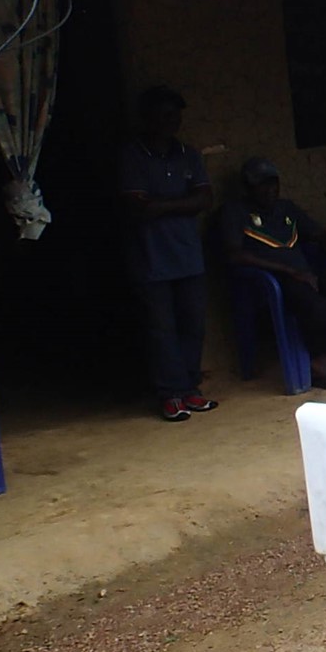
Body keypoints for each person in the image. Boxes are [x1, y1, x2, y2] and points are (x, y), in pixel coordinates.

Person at [220, 156, 326, 391]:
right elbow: (234, 255)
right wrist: (289, 271)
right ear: (248, 187)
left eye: (273, 183)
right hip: (273, 283)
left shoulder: (286, 208)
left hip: (306, 275)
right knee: (320, 307)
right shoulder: (235, 212)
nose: (269, 189)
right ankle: (325, 364)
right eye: (262, 184)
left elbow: (323, 235)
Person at [118, 85, 215, 422]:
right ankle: (170, 394)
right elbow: (137, 208)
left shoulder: (188, 154)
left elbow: (205, 200)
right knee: (162, 330)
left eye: (175, 115)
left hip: (189, 257)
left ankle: (190, 388)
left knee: (193, 326)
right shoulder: (132, 155)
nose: (170, 122)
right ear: (148, 118)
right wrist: (183, 203)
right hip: (151, 259)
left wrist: (161, 204)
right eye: (163, 115)